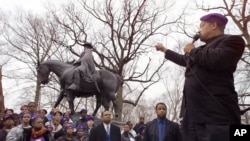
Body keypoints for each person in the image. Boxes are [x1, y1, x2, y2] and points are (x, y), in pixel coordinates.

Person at [155, 13, 245, 141]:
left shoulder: (233, 41)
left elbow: (217, 59)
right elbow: (183, 60)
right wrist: (165, 50)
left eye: (202, 26)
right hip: (191, 117)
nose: (199, 30)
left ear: (213, 25)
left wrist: (193, 50)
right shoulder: (201, 51)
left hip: (216, 116)